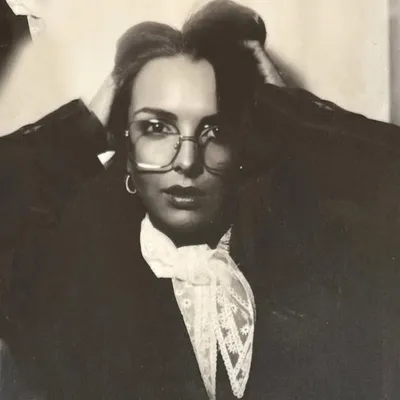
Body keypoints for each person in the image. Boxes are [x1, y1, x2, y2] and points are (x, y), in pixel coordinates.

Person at [1, 1, 400, 399]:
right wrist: (83, 127)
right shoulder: (61, 279)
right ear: (126, 143)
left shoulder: (321, 261)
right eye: (157, 128)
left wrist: (288, 109)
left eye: (215, 130)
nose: (188, 161)